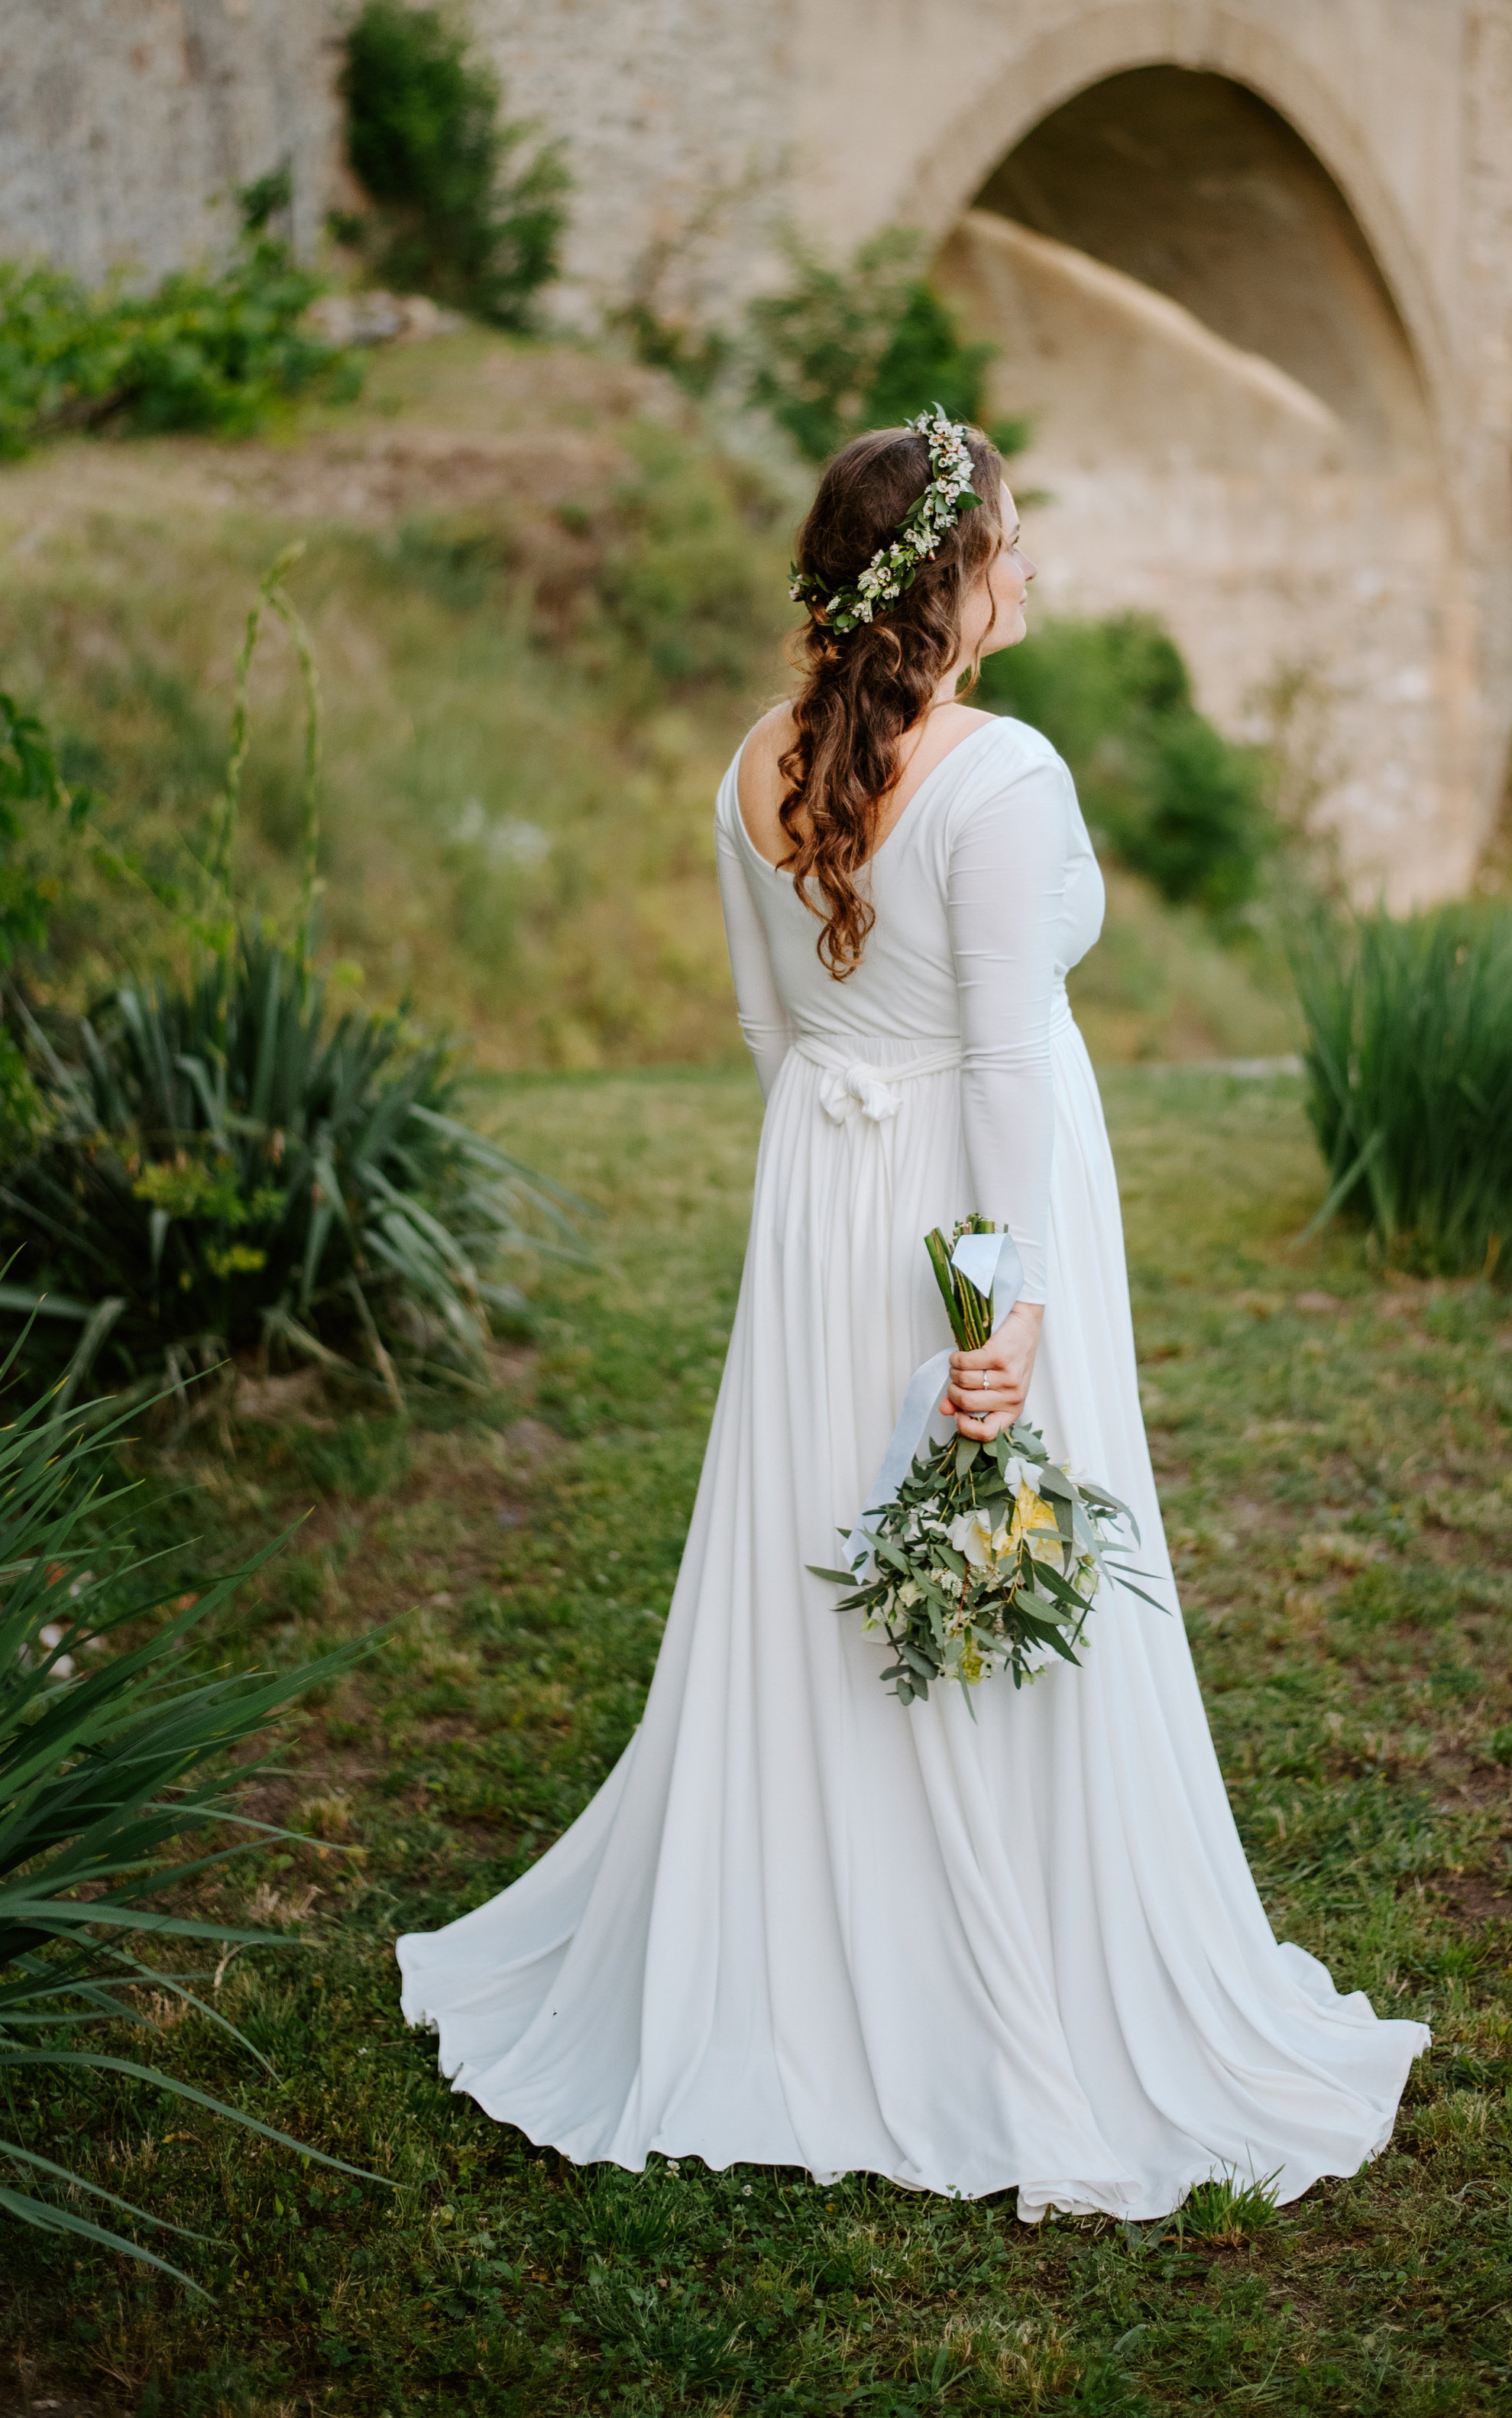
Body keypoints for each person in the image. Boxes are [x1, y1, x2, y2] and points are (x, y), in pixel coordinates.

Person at [397, 412, 1429, 2218]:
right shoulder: (1004, 774)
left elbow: (767, 1038)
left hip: (823, 1200)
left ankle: (806, 1936)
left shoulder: (747, 768)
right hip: (970, 1206)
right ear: (944, 576)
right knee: (980, 1534)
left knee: (829, 1546)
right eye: (1011, 543)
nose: (1029, 573)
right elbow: (1009, 1060)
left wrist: (841, 1171)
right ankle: (995, 1960)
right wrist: (1004, 1302)